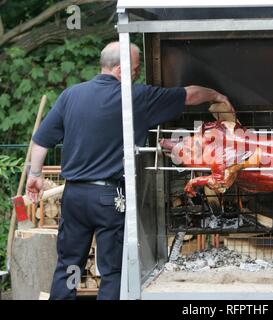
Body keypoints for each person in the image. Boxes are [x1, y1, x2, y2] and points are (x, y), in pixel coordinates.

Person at [25, 41, 232, 300]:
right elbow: (188, 95)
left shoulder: (71, 95)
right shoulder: (135, 97)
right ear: (121, 69)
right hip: (109, 199)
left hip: (74, 196)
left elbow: (41, 140)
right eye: (135, 69)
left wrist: (34, 175)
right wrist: (217, 95)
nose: (137, 74)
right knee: (113, 270)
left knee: (69, 264)